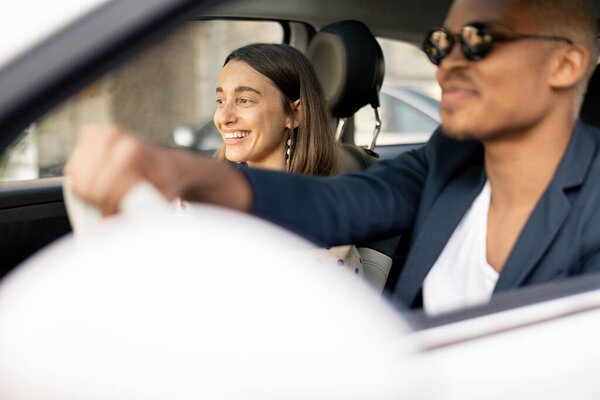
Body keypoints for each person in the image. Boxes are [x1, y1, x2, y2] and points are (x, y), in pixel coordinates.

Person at [65, 0, 600, 315]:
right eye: (441, 46)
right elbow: (340, 204)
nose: (448, 65)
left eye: (478, 41)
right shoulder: (450, 158)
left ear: (565, 64)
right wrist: (182, 171)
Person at [211, 42, 363, 276]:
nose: (224, 116)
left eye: (244, 100)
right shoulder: (208, 195)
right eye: (221, 101)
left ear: (294, 114)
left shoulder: (324, 232)